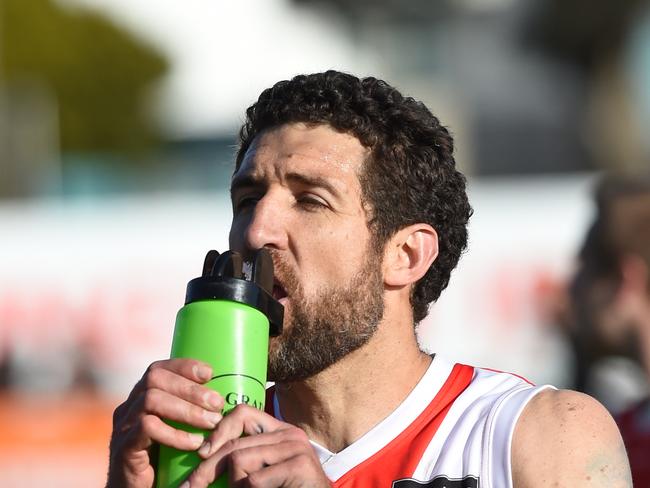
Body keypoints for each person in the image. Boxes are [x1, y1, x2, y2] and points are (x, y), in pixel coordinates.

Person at [107, 71, 632, 488]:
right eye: (248, 200)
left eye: (310, 200)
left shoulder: (536, 433)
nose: (257, 229)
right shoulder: (200, 450)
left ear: (405, 255)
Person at [569, 174, 650, 487]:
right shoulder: (620, 430)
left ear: (626, 278)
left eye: (584, 268)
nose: (572, 290)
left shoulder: (616, 442)